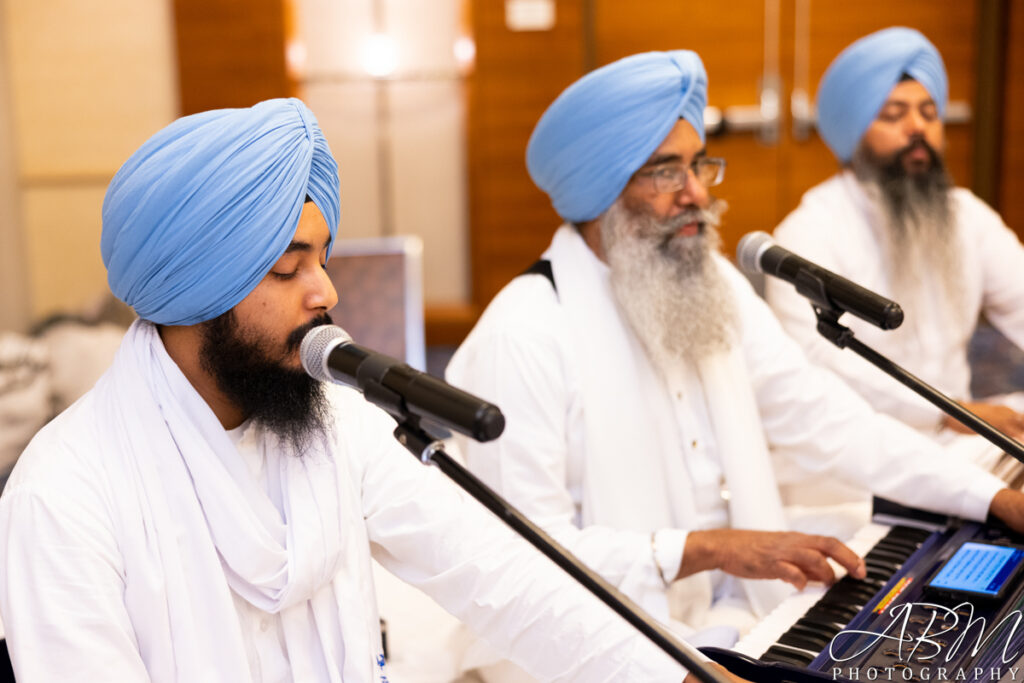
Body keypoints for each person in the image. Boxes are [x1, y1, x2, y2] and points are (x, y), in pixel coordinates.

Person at [0, 98, 743, 683]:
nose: (325, 291)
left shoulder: (336, 424)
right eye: (289, 269)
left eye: (323, 259)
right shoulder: (64, 495)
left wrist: (675, 675)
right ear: (196, 291)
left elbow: (499, 575)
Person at [445, 50, 1024, 642]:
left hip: (742, 609)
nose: (696, 191)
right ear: (602, 188)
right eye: (665, 170)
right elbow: (525, 554)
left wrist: (991, 496)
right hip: (605, 642)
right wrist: (707, 550)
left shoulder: (710, 282)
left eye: (698, 164)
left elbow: (825, 419)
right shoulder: (524, 335)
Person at [767, 27, 1024, 448]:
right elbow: (820, 365)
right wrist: (944, 412)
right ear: (852, 130)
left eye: (928, 112)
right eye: (893, 115)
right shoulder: (809, 232)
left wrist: (957, 417)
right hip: (856, 455)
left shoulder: (967, 216)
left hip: (962, 440)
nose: (917, 127)